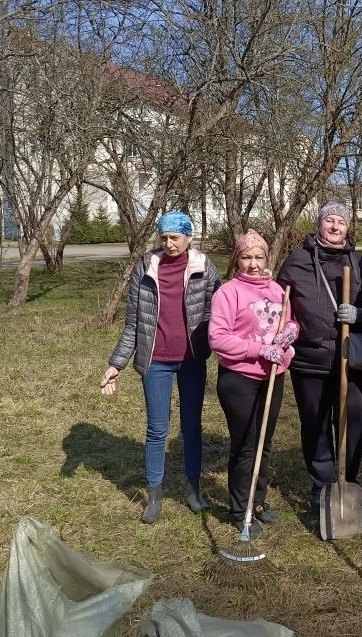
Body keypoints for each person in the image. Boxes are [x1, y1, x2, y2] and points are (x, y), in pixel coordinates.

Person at [100, 211, 221, 524]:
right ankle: (154, 494)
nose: (169, 244)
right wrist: (116, 364)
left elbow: (218, 314)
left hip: (193, 360)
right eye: (164, 237)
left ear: (188, 238)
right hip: (156, 361)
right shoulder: (146, 267)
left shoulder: (204, 267)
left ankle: (193, 491)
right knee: (157, 429)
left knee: (192, 427)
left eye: (175, 238)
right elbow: (133, 324)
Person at [276, 202, 362, 512]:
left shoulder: (360, 263)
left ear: (348, 228)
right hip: (309, 358)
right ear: (319, 224)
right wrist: (285, 331)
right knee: (315, 422)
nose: (335, 227)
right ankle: (322, 485)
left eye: (341, 222)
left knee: (353, 418)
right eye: (329, 221)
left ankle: (348, 480)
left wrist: (359, 313)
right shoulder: (297, 261)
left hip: (352, 357)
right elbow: (277, 303)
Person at [208, 230, 298, 538]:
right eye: (247, 257)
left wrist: (290, 333)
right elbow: (218, 339)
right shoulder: (228, 293)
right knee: (246, 443)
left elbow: (288, 320)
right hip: (239, 378)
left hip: (273, 375)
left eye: (259, 257)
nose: (254, 264)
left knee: (265, 441)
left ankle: (257, 501)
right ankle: (239, 508)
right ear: (237, 260)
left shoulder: (276, 290)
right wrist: (259, 349)